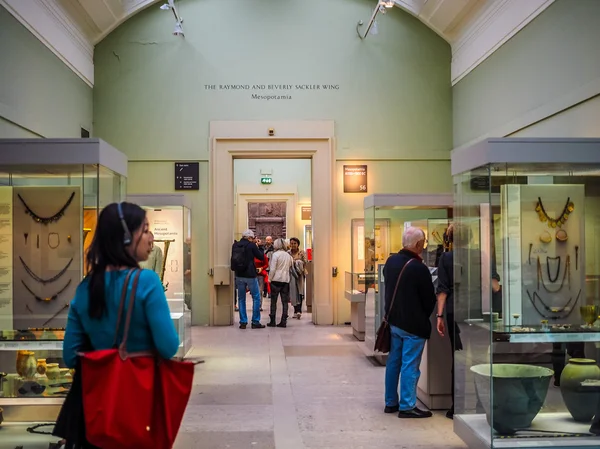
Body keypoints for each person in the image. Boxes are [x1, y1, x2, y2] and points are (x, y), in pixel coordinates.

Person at [61, 202, 180, 447]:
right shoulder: (147, 282)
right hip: (137, 404)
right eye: (145, 230)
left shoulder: (86, 288)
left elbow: (71, 357)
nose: (151, 237)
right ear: (127, 238)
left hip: (94, 412)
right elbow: (169, 346)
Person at [383, 227, 436, 419]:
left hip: (394, 321)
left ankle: (390, 402)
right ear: (418, 244)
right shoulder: (419, 268)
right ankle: (407, 405)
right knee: (410, 365)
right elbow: (429, 300)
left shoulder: (391, 261)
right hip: (413, 325)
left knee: (394, 362)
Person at [435, 223, 463, 420]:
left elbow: (443, 289)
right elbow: (494, 286)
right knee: (478, 358)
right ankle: (480, 402)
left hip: (456, 311)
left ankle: (457, 406)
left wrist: (439, 315)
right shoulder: (481, 255)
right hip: (479, 310)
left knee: (458, 357)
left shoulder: (447, 257)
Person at [231, 230, 266, 329]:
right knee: (256, 297)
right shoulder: (251, 245)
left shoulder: (235, 245)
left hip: (239, 274)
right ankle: (255, 321)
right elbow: (261, 257)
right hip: (250, 275)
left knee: (241, 299)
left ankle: (243, 322)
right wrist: (260, 247)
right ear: (250, 238)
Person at [268, 238, 294, 328]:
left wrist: (269, 278)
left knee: (273, 301)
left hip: (276, 280)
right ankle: (283, 321)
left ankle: (272, 320)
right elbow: (290, 266)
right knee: (285, 302)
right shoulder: (288, 256)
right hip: (285, 280)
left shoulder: (275, 255)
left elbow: (272, 269)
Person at [288, 237, 307, 319]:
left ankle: (299, 310)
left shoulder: (302, 252)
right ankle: (295, 310)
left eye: (295, 243)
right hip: (291, 274)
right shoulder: (288, 253)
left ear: (298, 244)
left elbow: (305, 262)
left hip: (300, 275)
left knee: (300, 291)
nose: (293, 245)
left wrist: (298, 263)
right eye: (291, 243)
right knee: (293, 292)